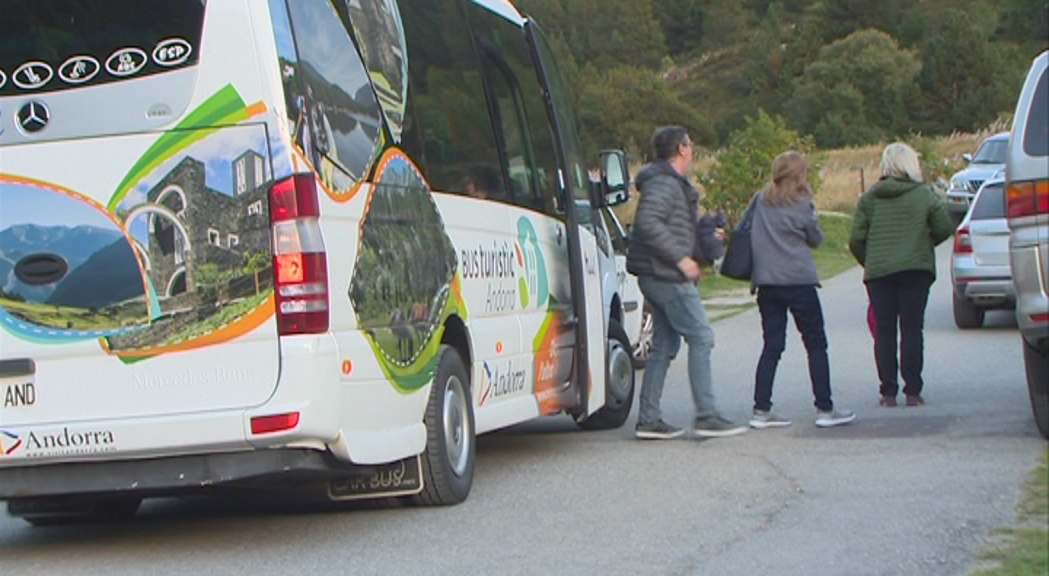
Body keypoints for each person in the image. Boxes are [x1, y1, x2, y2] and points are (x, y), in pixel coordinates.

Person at [626, 125, 747, 440]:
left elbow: (667, 224)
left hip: (655, 273)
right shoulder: (665, 184)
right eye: (690, 145)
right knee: (702, 337)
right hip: (665, 273)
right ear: (681, 149)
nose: (692, 151)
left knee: (665, 345)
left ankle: (649, 419)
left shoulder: (665, 183)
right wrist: (680, 259)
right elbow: (648, 223)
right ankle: (707, 415)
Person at [748, 151, 856, 429]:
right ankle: (824, 408)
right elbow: (815, 239)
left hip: (768, 282)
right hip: (798, 281)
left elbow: (745, 229)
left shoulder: (760, 201)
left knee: (772, 345)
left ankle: (761, 409)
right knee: (815, 343)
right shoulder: (802, 203)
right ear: (799, 175)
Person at [849, 142, 953, 407]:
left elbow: (856, 239)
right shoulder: (924, 195)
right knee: (911, 329)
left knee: (884, 332)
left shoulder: (870, 198)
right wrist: (923, 244)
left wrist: (870, 260)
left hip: (880, 273)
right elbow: (943, 227)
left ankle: (888, 391)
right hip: (915, 271)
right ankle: (913, 391)